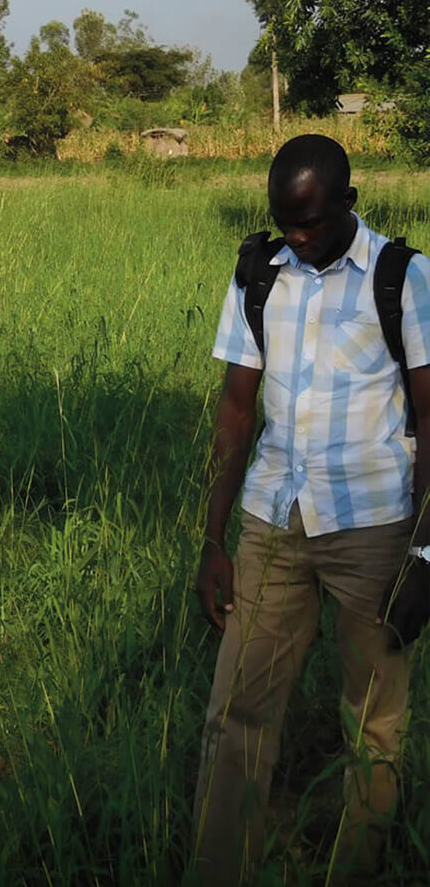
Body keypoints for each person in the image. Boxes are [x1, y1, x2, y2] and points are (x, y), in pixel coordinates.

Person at [193, 134, 430, 884]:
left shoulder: (404, 279)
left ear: (348, 203)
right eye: (285, 223)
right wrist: (214, 539)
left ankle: (355, 870)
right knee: (236, 710)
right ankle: (218, 869)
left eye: (311, 223)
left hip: (374, 529)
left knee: (373, 723)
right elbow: (236, 410)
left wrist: (426, 554)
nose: (297, 237)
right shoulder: (260, 277)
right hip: (273, 519)